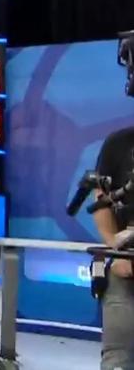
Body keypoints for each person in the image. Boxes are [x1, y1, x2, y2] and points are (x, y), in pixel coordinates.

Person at [93, 127, 134, 370]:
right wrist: (115, 246)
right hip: (124, 270)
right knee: (118, 359)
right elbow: (101, 198)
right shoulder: (118, 143)